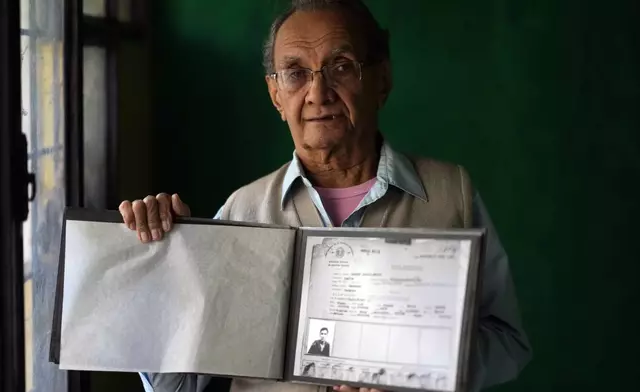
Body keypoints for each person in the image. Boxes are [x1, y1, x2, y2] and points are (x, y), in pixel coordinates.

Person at [119, 0, 532, 391]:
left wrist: (419, 373)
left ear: (382, 80)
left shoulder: (450, 193)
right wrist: (159, 269)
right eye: (295, 73)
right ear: (276, 95)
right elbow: (180, 385)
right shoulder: (241, 212)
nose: (319, 92)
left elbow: (506, 339)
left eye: (341, 66)